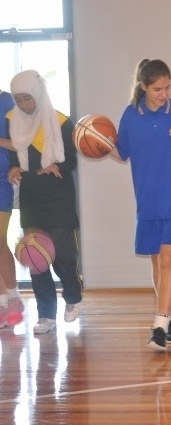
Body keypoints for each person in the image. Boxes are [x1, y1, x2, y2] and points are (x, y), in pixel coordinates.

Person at [110, 59, 171, 351]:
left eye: (168, 87)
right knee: (158, 262)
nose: (164, 93)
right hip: (148, 201)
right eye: (158, 88)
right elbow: (121, 152)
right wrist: (96, 140)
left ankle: (158, 327)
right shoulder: (131, 115)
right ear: (144, 87)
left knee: (170, 260)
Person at [6, 70, 83, 334]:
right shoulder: (11, 120)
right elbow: (17, 153)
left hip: (58, 194)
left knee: (62, 254)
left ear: (38, 94)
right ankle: (46, 315)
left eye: (28, 98)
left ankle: (73, 298)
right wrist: (13, 169)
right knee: (35, 255)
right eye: (19, 100)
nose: (24, 105)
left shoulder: (61, 121)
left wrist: (56, 166)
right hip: (31, 195)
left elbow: (72, 158)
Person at [0, 88, 23, 327]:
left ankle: (14, 297)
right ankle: (2, 302)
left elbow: (19, 143)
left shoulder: (6, 101)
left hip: (1, 178)